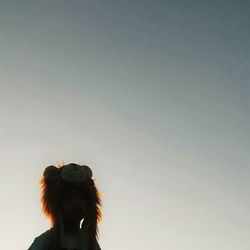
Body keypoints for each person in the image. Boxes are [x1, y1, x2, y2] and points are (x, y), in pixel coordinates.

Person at [28, 163, 102, 250]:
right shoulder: (47, 240)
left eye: (83, 198)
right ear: (57, 204)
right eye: (70, 198)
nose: (77, 203)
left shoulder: (90, 243)